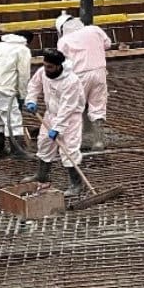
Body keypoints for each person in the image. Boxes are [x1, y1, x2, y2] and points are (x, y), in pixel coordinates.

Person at [25, 49, 91, 197]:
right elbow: (34, 85)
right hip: (51, 114)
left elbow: (68, 107)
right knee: (44, 143)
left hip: (70, 119)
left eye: (50, 67)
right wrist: (31, 100)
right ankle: (42, 175)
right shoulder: (43, 71)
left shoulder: (71, 81)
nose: (46, 69)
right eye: (45, 65)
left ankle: (76, 185)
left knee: (69, 150)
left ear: (58, 66)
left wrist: (58, 128)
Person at [54, 11, 111, 148]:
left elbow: (61, 61)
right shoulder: (94, 29)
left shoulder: (63, 41)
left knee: (75, 107)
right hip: (99, 72)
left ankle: (75, 140)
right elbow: (107, 44)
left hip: (78, 75)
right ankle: (98, 141)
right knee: (97, 106)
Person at [0, 32, 31, 159]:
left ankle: (1, 151)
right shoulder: (23, 50)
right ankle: (17, 152)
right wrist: (22, 95)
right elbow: (24, 75)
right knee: (13, 120)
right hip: (5, 88)